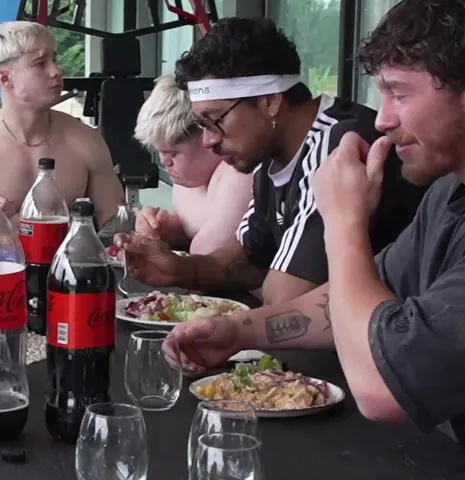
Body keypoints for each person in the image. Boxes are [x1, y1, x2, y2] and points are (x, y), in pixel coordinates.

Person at [164, 0, 465, 480]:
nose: (383, 118)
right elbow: (346, 304)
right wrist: (239, 332)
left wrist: (343, 221)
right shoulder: (455, 190)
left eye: (400, 93)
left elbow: (382, 391)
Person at [120, 17, 427, 304]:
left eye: (216, 120)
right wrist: (177, 269)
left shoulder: (338, 144)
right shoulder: (270, 158)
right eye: (203, 125)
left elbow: (285, 297)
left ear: (270, 101)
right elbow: (246, 260)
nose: (209, 140)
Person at [0, 21, 124, 235]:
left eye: (54, 60)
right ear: (5, 78)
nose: (56, 71)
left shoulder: (85, 139)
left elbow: (115, 223)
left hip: (62, 255)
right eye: (40, 63)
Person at [132, 74, 253, 254]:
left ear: (208, 135)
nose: (164, 161)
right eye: (160, 151)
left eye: (173, 153)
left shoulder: (237, 173)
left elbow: (209, 251)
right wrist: (164, 228)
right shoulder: (188, 179)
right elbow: (193, 227)